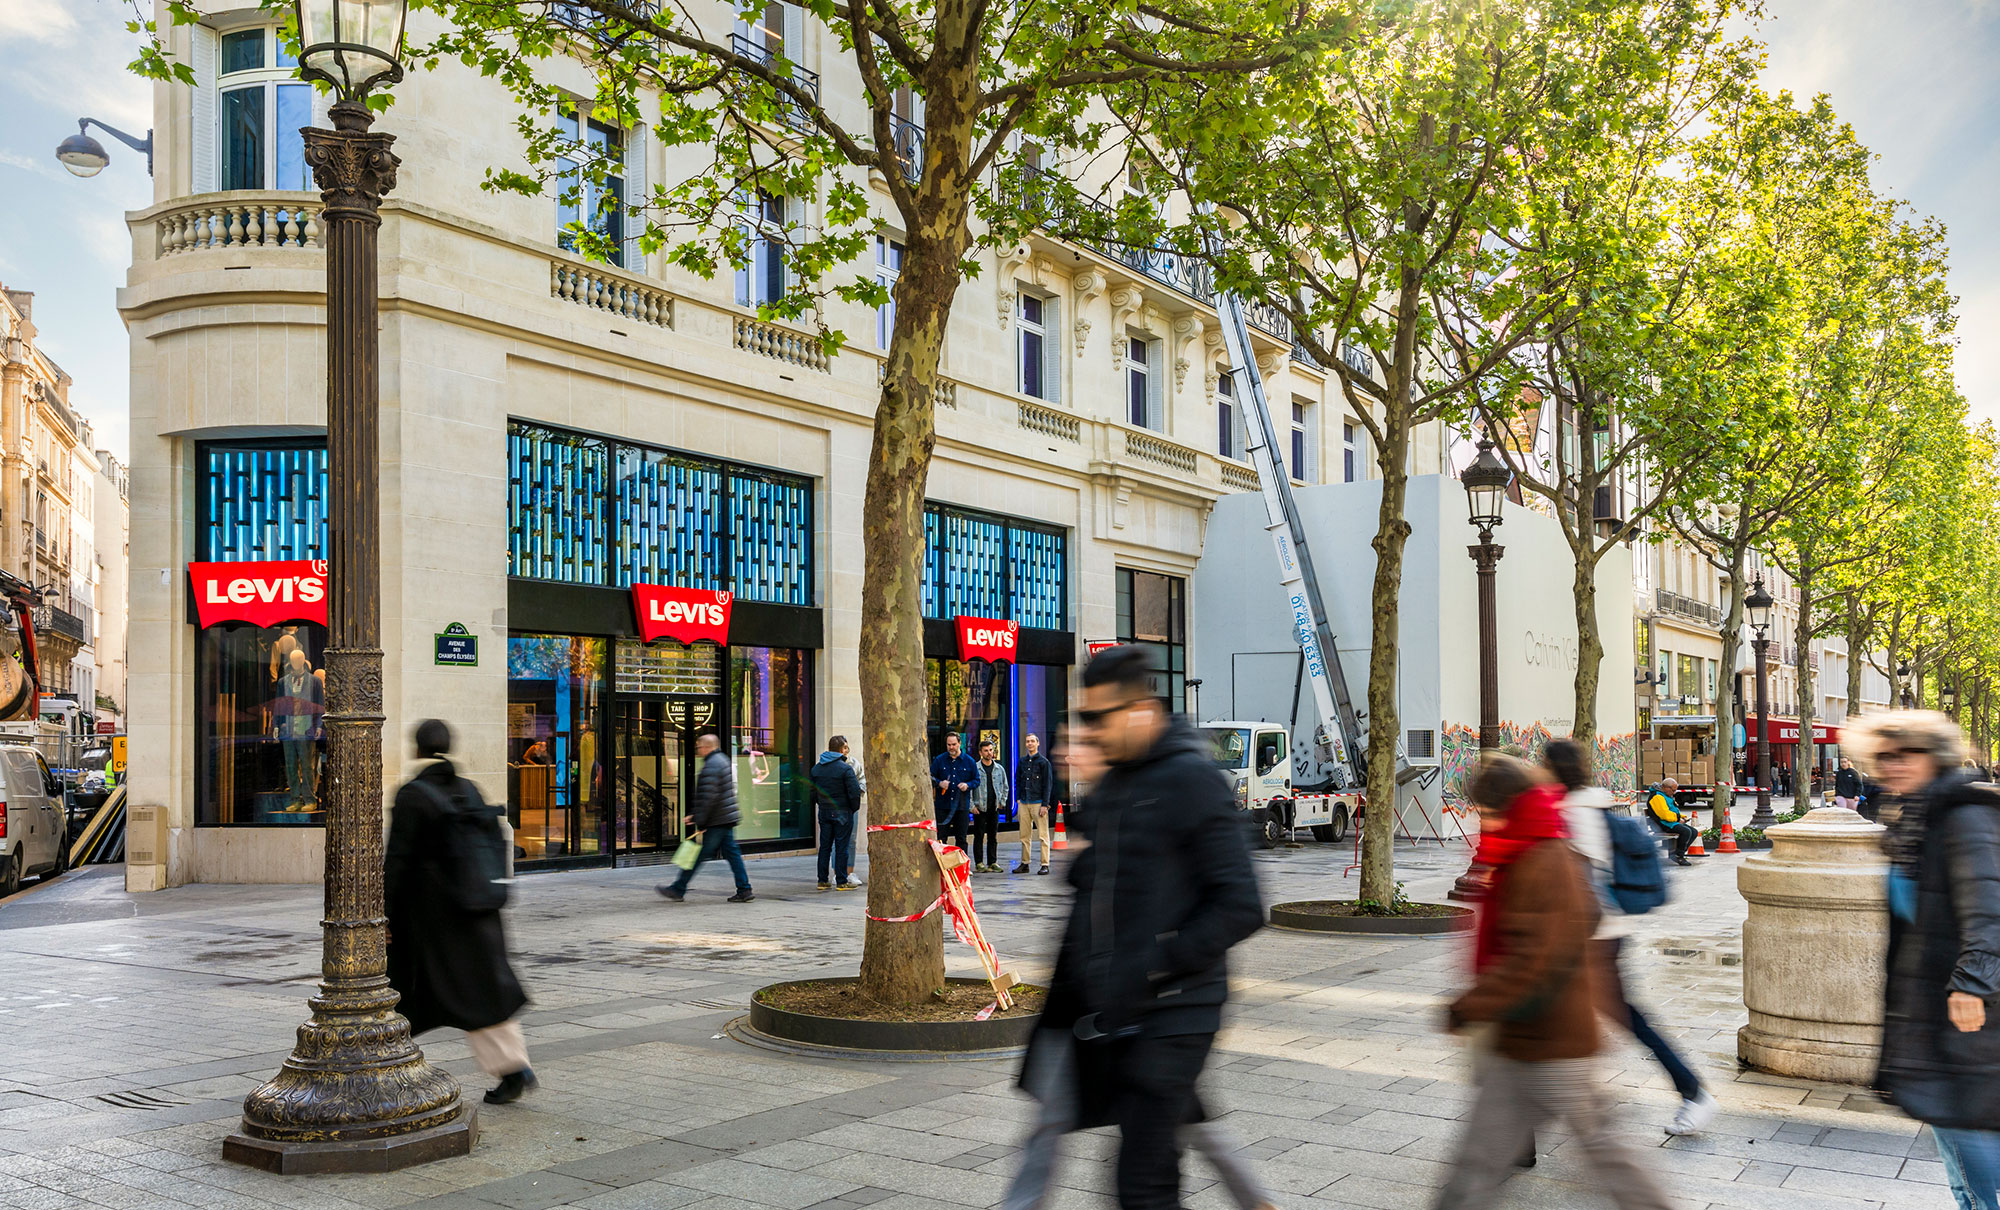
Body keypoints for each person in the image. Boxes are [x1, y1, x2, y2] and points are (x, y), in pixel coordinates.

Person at [1014, 645, 1264, 1210]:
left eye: (1098, 719)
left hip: (1178, 1011)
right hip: (1119, 1013)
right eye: (1083, 719)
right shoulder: (1117, 785)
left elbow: (1242, 903)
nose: (1090, 733)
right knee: (1138, 1174)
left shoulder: (1192, 780)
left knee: (1142, 1182)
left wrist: (1158, 960)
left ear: (1140, 709)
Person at [1434, 754, 1672, 1210]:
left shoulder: (1540, 856)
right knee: (1479, 1161)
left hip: (1550, 1041)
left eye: (1483, 810)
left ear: (1501, 806)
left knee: (1601, 1149)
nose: (1481, 820)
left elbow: (1533, 957)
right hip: (1528, 1037)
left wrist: (1470, 1006)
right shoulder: (1537, 844)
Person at [1849, 710, 2000, 1210]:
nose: (1893, 765)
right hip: (1930, 999)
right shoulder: (1913, 819)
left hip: (1967, 1002)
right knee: (1953, 1117)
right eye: (1884, 756)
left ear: (1934, 757)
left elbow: (1987, 906)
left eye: (1906, 753)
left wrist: (1971, 986)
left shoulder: (1962, 814)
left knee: (1959, 1117)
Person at [1546, 740, 1716, 1136]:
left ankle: (1692, 1092)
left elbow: (1583, 886)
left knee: (1625, 1019)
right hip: (1604, 933)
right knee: (1589, 1018)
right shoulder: (1593, 805)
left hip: (1593, 939)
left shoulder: (1574, 814)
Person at [385, 719, 535, 1105]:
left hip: (435, 919)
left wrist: (386, 915)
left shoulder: (413, 795)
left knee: (432, 994)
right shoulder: (467, 788)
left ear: (417, 749)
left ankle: (381, 1064)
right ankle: (513, 1066)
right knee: (480, 993)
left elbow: (397, 864)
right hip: (478, 909)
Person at [658, 732, 753, 903]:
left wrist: (699, 820)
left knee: (698, 855)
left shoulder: (712, 765)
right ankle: (744, 888)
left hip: (717, 819)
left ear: (707, 747)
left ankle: (678, 888)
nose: (698, 750)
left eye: (699, 747)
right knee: (732, 854)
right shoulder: (722, 760)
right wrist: (696, 815)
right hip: (724, 817)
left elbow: (708, 797)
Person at [810, 735, 864, 890]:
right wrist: (852, 808)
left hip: (825, 811)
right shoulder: (845, 768)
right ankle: (841, 881)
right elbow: (854, 792)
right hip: (842, 811)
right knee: (842, 846)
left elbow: (812, 792)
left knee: (825, 846)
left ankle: (822, 880)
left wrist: (821, 803)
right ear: (841, 750)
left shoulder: (817, 768)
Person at [1014, 732, 1056, 875]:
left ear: (1038, 743)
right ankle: (1025, 863)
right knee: (1024, 835)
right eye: (1027, 741)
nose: (1030, 744)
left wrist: (1045, 804)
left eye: (1032, 741)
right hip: (1024, 802)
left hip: (1038, 803)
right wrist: (1018, 798)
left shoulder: (1044, 762)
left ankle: (1045, 864)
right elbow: (1017, 780)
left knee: (1043, 836)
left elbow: (1047, 785)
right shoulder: (1022, 761)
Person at [932, 732, 977, 854]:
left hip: (961, 806)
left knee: (961, 838)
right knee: (941, 838)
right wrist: (939, 783)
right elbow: (930, 777)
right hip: (943, 806)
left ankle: (962, 867)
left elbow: (977, 780)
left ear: (960, 744)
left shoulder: (969, 761)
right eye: (949, 745)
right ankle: (942, 867)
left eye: (954, 744)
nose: (951, 747)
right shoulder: (939, 760)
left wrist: (967, 785)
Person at [971, 739, 1010, 873]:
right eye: (986, 750)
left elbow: (1005, 786)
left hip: (994, 807)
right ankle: (979, 862)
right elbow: (970, 788)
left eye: (991, 750)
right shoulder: (975, 768)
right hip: (979, 808)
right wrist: (972, 806)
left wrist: (1002, 802)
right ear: (980, 752)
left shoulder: (999, 769)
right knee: (979, 836)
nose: (989, 753)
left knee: (993, 836)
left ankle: (993, 862)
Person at [1643, 778, 1697, 866]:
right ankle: (1678, 855)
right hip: (1662, 824)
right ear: (1665, 788)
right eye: (1673, 790)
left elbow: (1672, 810)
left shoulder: (1665, 795)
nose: (1674, 793)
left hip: (1670, 822)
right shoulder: (1657, 797)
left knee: (1694, 832)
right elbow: (1664, 814)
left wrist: (1682, 817)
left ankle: (1678, 853)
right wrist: (1677, 818)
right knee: (1686, 832)